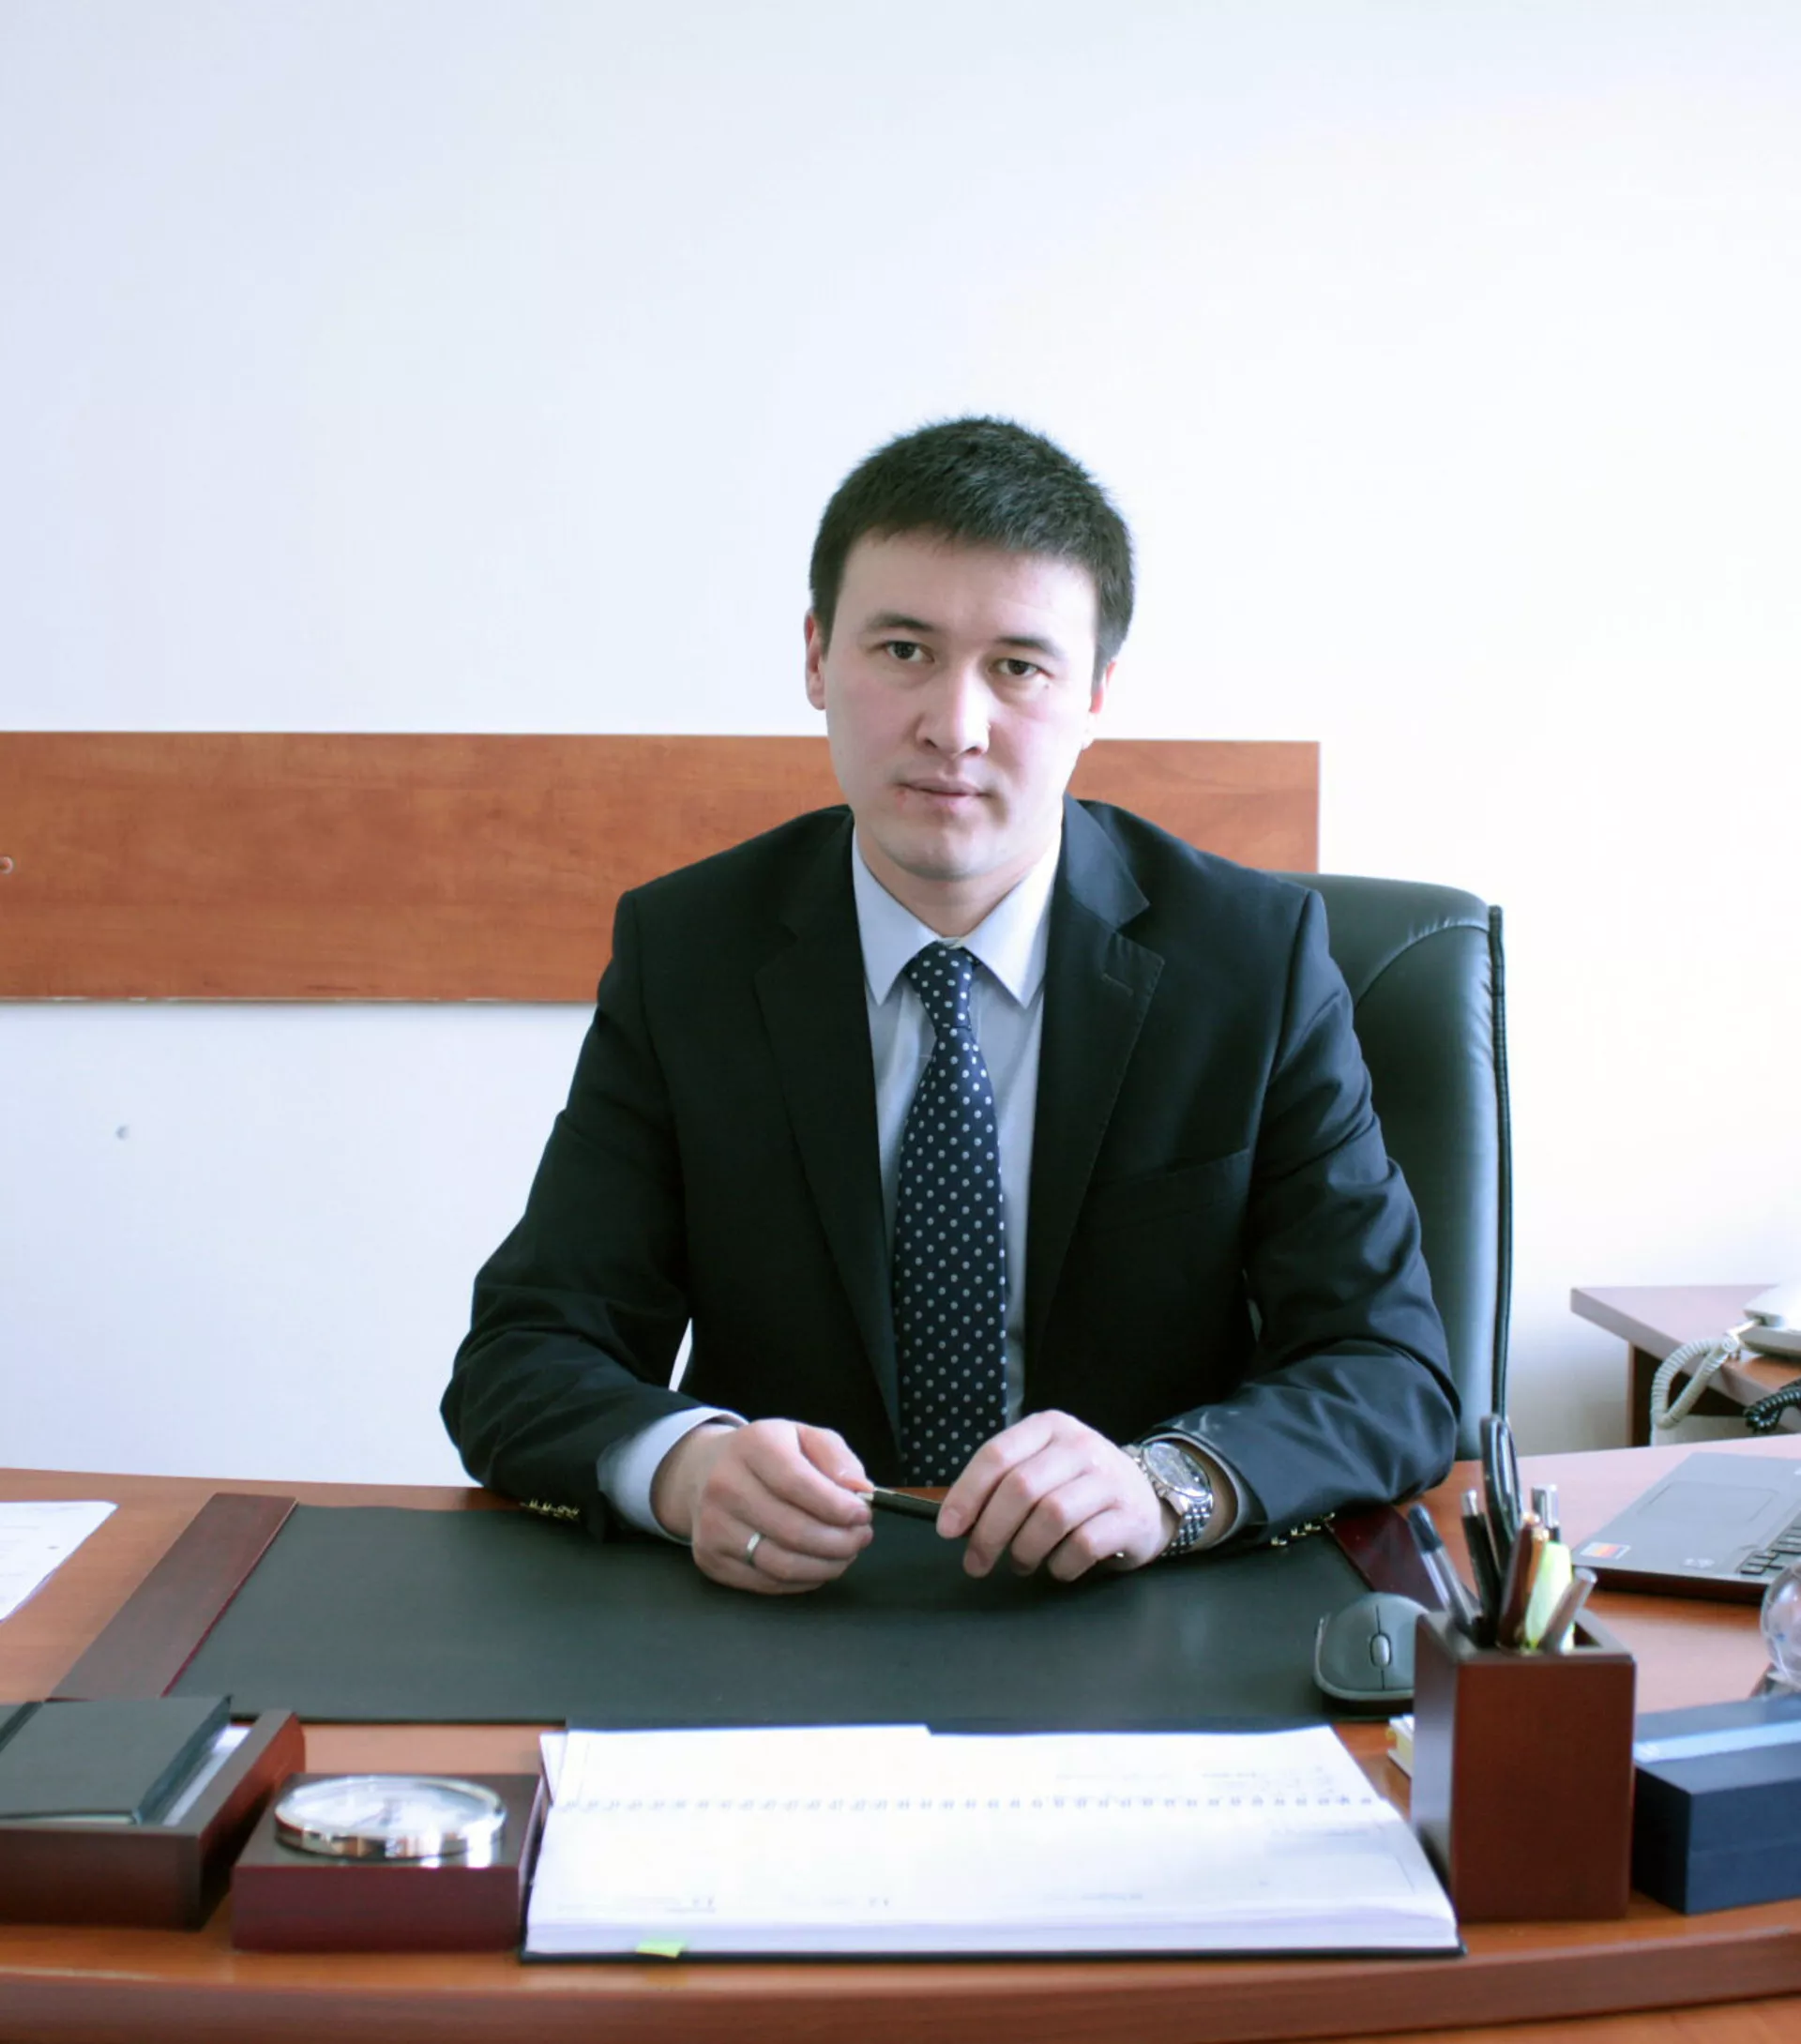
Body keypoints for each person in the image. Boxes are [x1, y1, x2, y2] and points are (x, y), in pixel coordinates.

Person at [443, 416, 1456, 1597]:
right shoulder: (690, 955)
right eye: (904, 649)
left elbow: (1388, 1368)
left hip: (1136, 1614)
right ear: (817, 657)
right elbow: (523, 1354)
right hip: (785, 1619)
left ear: (1096, 693)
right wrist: (685, 1466)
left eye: (1019, 667)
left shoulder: (1251, 961)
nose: (954, 727)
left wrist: (1167, 1484)